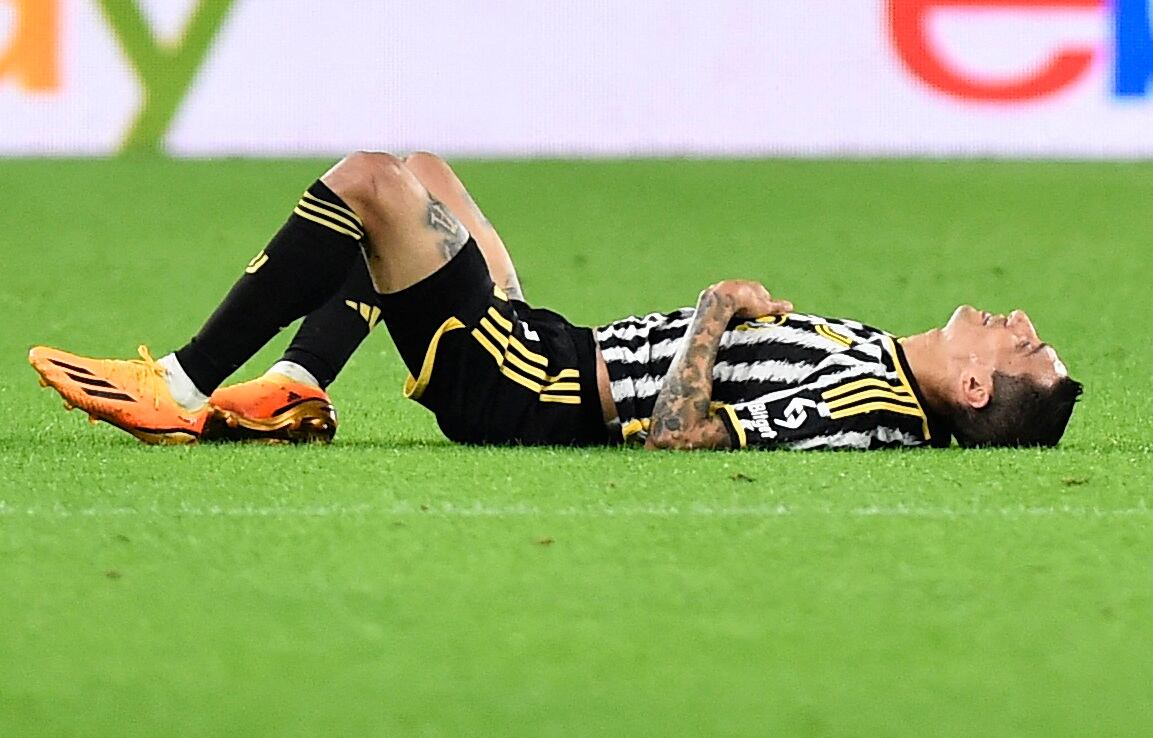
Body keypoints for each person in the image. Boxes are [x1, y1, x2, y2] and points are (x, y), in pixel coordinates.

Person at [29, 152, 1082, 450]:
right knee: (427, 176)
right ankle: (299, 383)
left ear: (979, 384)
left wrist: (717, 306)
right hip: (544, 347)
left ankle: (179, 381)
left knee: (369, 186)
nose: (1023, 324)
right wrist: (765, 320)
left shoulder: (870, 407)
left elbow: (677, 435)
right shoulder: (881, 362)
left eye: (1028, 351)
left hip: (531, 385)